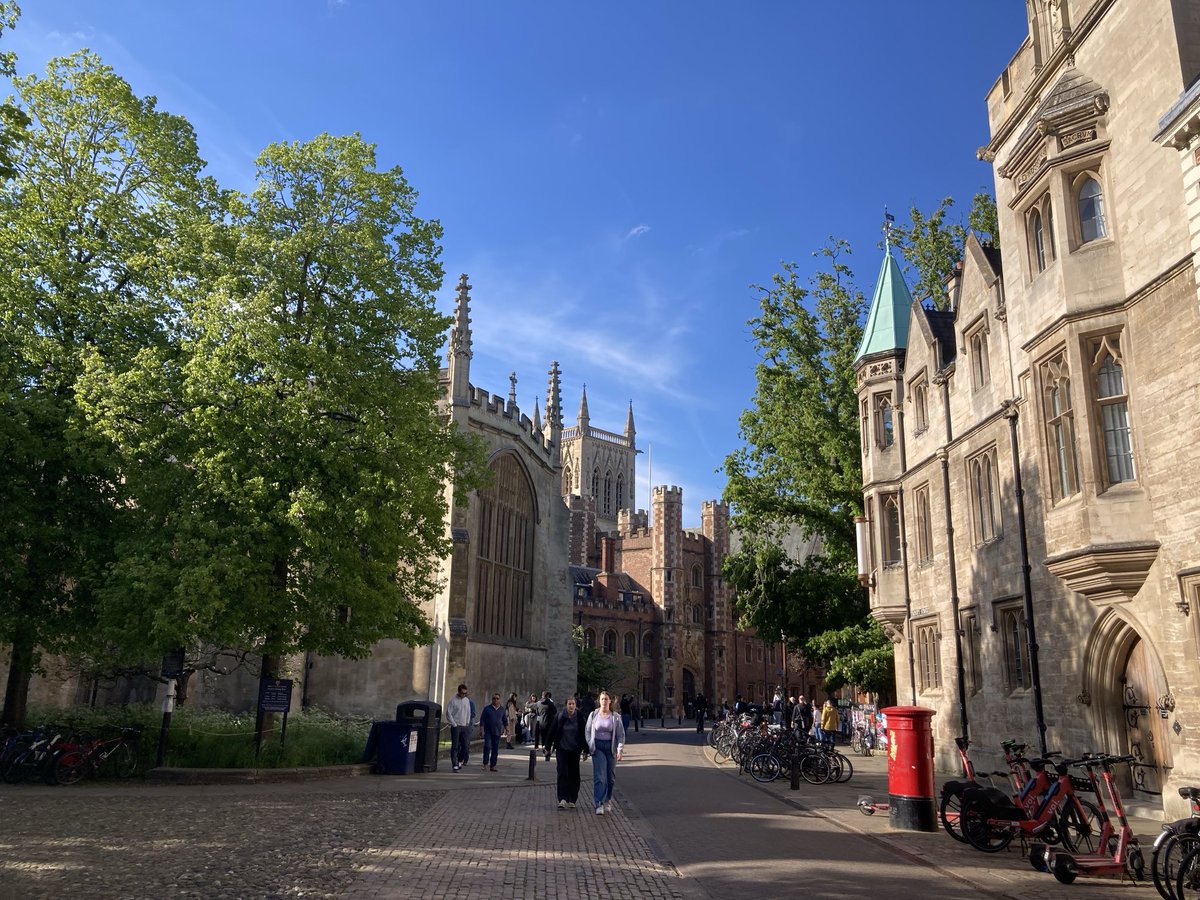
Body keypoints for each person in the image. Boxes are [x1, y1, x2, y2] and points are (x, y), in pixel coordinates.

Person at [585, 690, 626, 816]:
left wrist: (619, 750)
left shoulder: (615, 717)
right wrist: (590, 745)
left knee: (610, 778)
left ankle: (607, 799)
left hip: (610, 747)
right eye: (602, 699)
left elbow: (620, 735)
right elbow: (587, 731)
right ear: (599, 701)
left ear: (610, 701)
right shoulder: (593, 715)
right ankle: (599, 803)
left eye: (606, 699)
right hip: (598, 747)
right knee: (600, 777)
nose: (604, 701)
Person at [543, 695, 586, 809]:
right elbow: (552, 731)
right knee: (562, 772)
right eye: (569, 704)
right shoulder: (560, 716)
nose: (571, 706)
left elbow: (583, 733)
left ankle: (572, 799)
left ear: (576, 705)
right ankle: (562, 798)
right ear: (566, 705)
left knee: (574, 774)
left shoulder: (579, 717)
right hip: (562, 748)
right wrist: (547, 746)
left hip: (574, 749)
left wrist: (585, 750)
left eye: (573, 704)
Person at [446, 683, 473, 771]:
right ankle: (455, 764)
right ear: (458, 692)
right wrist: (454, 724)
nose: (464, 695)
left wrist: (467, 722)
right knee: (455, 746)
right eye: (462, 693)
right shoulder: (453, 701)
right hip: (456, 725)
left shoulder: (466, 700)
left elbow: (469, 712)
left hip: (464, 725)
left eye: (465, 693)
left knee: (465, 746)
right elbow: (448, 713)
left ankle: (460, 760)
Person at [478, 691, 507, 771]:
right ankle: (485, 764)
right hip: (488, 731)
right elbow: (482, 720)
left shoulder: (502, 709)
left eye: (497, 699)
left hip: (497, 732)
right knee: (487, 747)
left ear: (499, 700)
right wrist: (481, 730)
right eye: (494, 699)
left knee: (495, 749)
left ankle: (493, 765)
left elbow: (505, 720)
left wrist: (507, 729)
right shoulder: (487, 709)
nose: (495, 700)